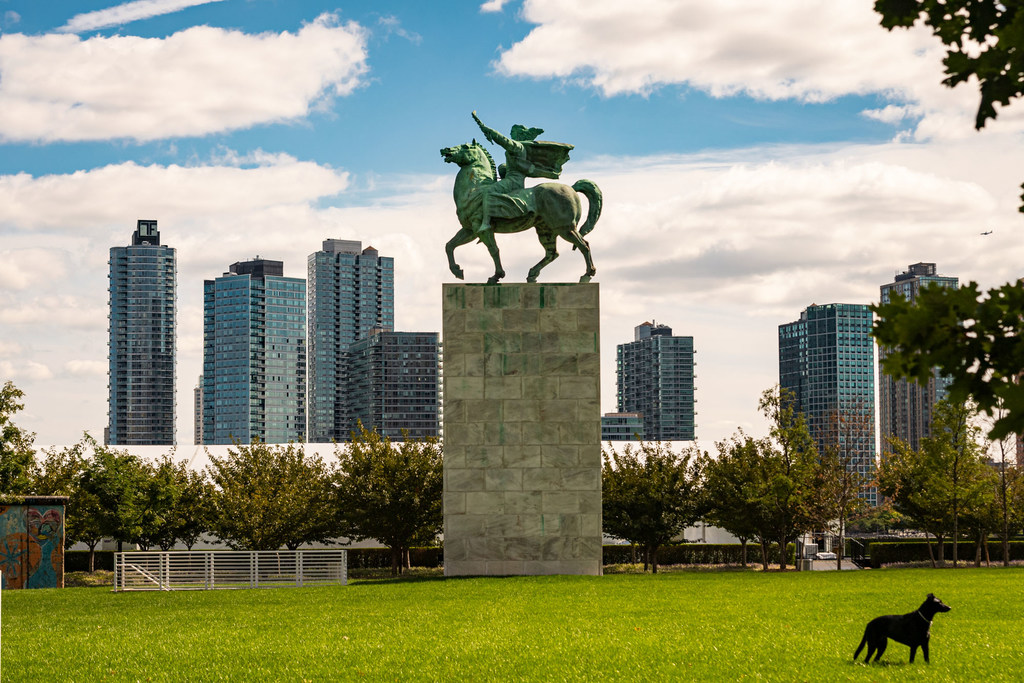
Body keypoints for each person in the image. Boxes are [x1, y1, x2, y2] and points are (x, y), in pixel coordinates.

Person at [471, 111, 573, 234]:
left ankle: (486, 223)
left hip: (512, 182)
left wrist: (486, 128)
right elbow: (527, 170)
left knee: (488, 192)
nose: (511, 135)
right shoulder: (521, 148)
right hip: (513, 180)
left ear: (518, 135)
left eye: (513, 133)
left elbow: (501, 139)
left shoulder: (517, 147)